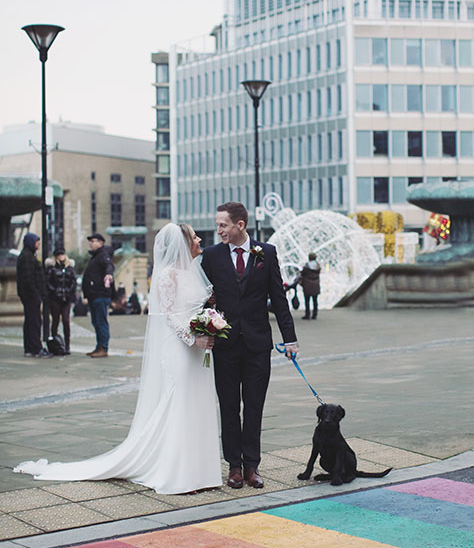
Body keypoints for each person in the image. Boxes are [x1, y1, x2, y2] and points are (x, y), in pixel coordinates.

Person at [14, 222, 222, 494]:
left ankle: (200, 471)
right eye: (195, 237)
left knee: (196, 404)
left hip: (198, 350)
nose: (199, 241)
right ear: (183, 244)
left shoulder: (193, 273)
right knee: (178, 405)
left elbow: (197, 309)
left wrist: (209, 322)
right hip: (180, 349)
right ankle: (177, 472)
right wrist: (194, 338)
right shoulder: (167, 275)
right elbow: (170, 317)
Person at [201, 201, 298, 490]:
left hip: (258, 345)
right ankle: (233, 467)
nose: (219, 230)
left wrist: (289, 338)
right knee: (229, 407)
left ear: (240, 225)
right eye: (218, 225)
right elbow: (199, 296)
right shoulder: (210, 256)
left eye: (223, 225)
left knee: (255, 406)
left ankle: (252, 466)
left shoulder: (266, 253)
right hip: (225, 345)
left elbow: (279, 300)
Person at [16, 233, 49, 358]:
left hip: (28, 295)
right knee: (34, 321)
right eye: (36, 242)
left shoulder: (27, 255)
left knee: (30, 321)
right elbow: (28, 278)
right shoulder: (27, 257)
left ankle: (30, 348)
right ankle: (36, 348)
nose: (38, 244)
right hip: (30, 295)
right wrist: (36, 293)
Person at [82, 233, 114, 358]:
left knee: (101, 322)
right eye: (90, 241)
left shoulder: (103, 255)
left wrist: (109, 275)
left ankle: (103, 348)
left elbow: (109, 266)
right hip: (93, 295)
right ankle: (99, 346)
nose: (91, 243)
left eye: (93, 241)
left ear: (101, 243)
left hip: (100, 294)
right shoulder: (95, 256)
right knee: (96, 322)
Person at [45, 247, 77, 354]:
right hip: (55, 298)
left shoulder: (69, 268)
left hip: (66, 298)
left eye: (62, 254)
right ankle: (54, 344)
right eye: (58, 255)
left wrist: (69, 292)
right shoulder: (52, 268)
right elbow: (48, 282)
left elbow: (73, 281)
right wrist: (55, 291)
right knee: (55, 321)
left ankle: (67, 345)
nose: (61, 257)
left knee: (66, 321)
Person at [300, 252, 321, 320]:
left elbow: (302, 273)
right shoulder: (318, 266)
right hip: (315, 285)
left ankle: (307, 314)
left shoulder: (306, 266)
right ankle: (315, 314)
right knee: (315, 300)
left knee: (307, 301)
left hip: (307, 285)